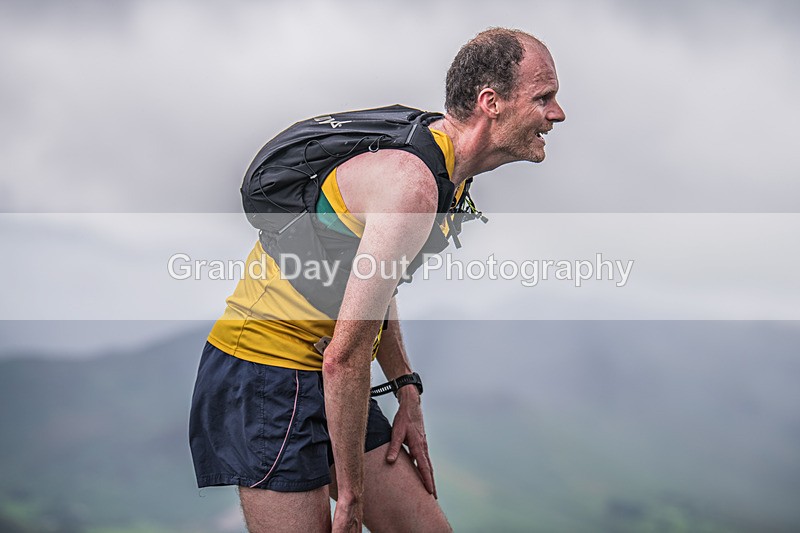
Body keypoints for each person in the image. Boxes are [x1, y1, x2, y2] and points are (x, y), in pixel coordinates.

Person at [190, 27, 565, 533]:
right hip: (265, 375)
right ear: (491, 102)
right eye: (543, 97)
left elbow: (371, 290)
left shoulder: (446, 169)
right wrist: (352, 498)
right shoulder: (413, 188)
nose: (557, 113)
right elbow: (344, 358)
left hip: (330, 376)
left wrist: (405, 385)